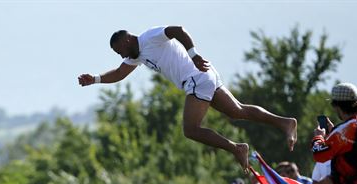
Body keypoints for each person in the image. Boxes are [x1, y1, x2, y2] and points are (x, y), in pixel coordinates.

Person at [77, 26, 298, 170]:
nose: (122, 57)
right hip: (204, 76)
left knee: (190, 129)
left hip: (196, 78)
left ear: (126, 40)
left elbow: (178, 30)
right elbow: (118, 73)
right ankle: (285, 122)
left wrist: (193, 54)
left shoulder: (149, 38)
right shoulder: (138, 56)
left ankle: (236, 148)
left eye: (120, 51)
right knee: (237, 111)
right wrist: (94, 79)